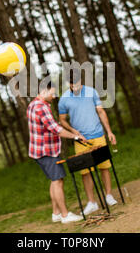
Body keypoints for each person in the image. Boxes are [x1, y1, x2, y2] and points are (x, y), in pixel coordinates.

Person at [58, 73, 118, 216]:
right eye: (72, 84)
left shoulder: (92, 92)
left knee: (104, 167)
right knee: (85, 172)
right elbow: (62, 120)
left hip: (98, 135)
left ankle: (108, 195)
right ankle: (92, 203)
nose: (75, 86)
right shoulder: (64, 99)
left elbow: (101, 112)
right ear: (69, 83)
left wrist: (109, 131)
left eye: (77, 83)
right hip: (81, 141)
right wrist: (74, 132)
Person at [27, 81, 85, 224]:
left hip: (41, 151)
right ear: (43, 91)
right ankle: (65, 215)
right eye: (52, 93)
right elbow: (55, 129)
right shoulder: (40, 106)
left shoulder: (33, 104)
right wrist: (76, 137)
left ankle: (56, 213)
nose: (54, 96)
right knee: (57, 181)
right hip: (46, 151)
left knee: (55, 181)